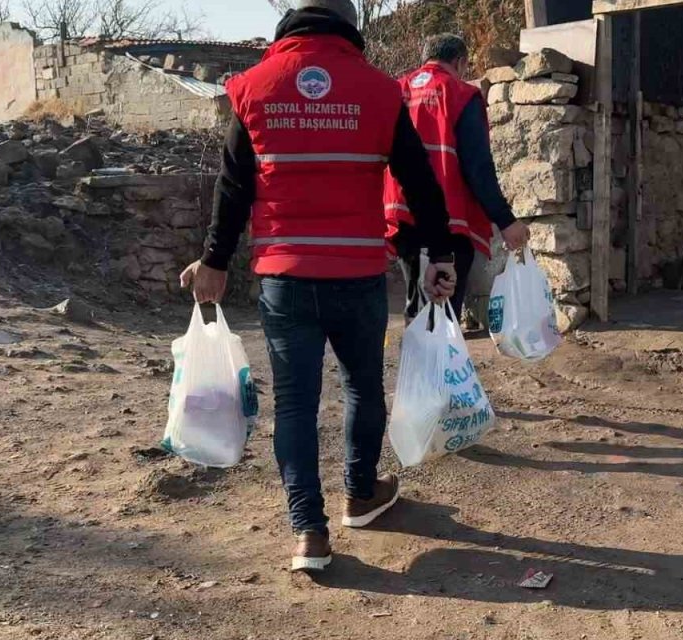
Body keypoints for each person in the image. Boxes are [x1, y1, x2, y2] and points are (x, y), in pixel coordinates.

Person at [178, 0, 457, 573]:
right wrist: (439, 255)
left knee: (298, 405)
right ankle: (360, 493)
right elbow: (420, 182)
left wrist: (213, 261)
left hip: (284, 276)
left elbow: (233, 187)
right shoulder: (380, 90)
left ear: (291, 23)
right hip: (358, 272)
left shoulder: (253, 86)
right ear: (350, 25)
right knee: (361, 388)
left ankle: (309, 531)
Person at [384, 33, 530, 322]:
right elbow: (478, 167)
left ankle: (419, 363)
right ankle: (437, 366)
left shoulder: (394, 90)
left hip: (401, 218)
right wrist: (505, 220)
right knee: (442, 312)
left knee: (418, 308)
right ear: (460, 62)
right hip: (447, 222)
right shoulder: (460, 95)